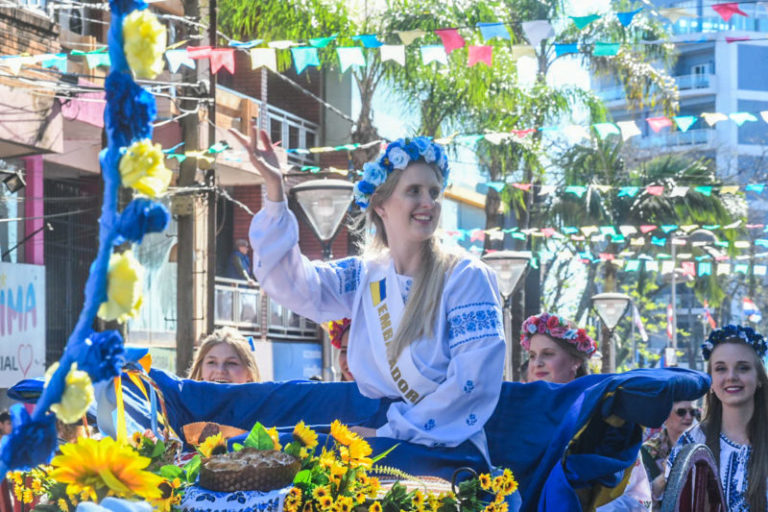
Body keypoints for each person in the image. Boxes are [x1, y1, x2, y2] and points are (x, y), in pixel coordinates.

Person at [232, 125, 505, 474]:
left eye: (434, 192)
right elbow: (293, 284)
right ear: (381, 205)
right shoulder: (365, 275)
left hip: (444, 449)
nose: (428, 203)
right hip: (375, 437)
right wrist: (275, 189)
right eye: (414, 191)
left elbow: (473, 383)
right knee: (253, 456)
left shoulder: (466, 277)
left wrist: (389, 433)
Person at [521, 312, 652, 512]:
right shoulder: (519, 418)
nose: (537, 362)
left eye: (547, 354)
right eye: (532, 355)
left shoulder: (605, 416)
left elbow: (634, 496)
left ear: (575, 362)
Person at [659, 325, 768, 512]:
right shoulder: (691, 442)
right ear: (710, 381)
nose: (731, 376)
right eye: (721, 369)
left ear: (759, 378)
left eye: (743, 368)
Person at [640, 400, 698, 510]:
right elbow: (642, 500)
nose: (689, 417)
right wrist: (665, 477)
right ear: (665, 417)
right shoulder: (647, 451)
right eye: (681, 412)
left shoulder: (702, 445)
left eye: (693, 412)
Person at [188, 327, 261, 384]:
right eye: (211, 362)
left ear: (249, 372)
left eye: (231, 363)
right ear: (201, 369)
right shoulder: (184, 401)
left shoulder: (267, 402)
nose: (220, 370)